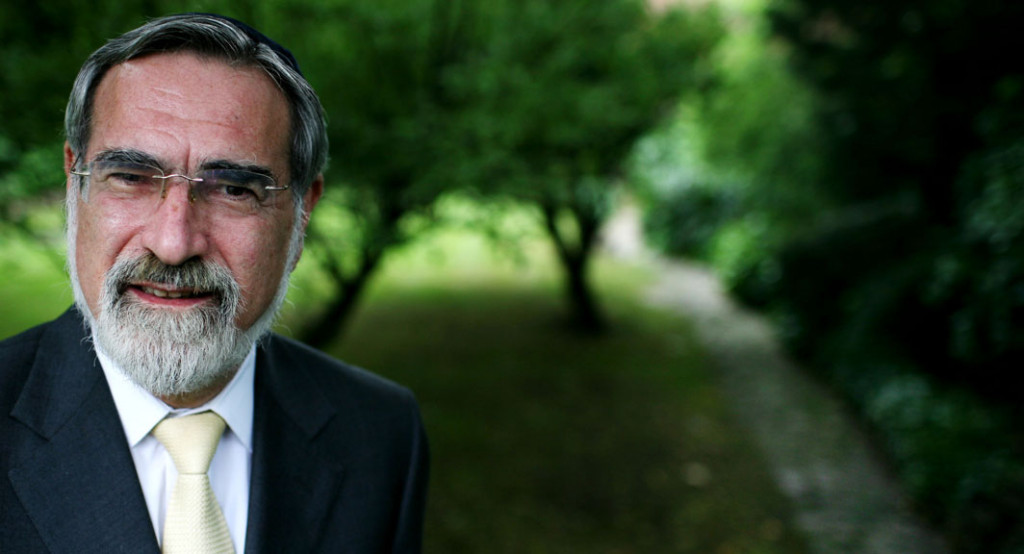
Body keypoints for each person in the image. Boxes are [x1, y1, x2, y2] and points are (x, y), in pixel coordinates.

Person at [0, 13, 428, 553]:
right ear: (74, 183)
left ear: (302, 214)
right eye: (130, 177)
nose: (174, 243)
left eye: (233, 189)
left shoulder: (382, 433)